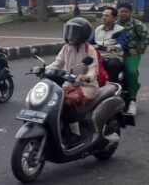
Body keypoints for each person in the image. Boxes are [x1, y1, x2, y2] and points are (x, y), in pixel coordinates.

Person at [33, 17, 99, 145]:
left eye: (74, 33)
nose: (70, 36)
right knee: (52, 100)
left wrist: (86, 77)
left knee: (67, 102)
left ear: (82, 34)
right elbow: (57, 63)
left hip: (87, 86)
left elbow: (93, 70)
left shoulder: (89, 50)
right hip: (69, 83)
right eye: (68, 32)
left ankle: (76, 134)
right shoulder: (66, 48)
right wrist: (42, 69)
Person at [116, 2, 149, 116]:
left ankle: (132, 99)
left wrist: (138, 49)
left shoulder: (136, 24)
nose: (123, 14)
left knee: (131, 73)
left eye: (126, 12)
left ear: (131, 13)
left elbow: (148, 37)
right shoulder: (115, 25)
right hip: (116, 54)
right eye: (121, 11)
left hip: (132, 55)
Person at [90, 7, 129, 84]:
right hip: (97, 56)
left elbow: (123, 43)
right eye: (103, 15)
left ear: (114, 18)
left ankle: (114, 86)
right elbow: (90, 42)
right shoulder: (98, 29)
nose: (104, 17)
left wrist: (114, 47)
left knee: (112, 65)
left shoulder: (120, 30)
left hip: (112, 57)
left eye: (107, 16)